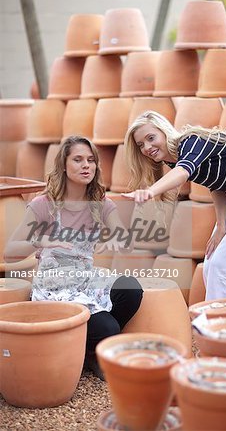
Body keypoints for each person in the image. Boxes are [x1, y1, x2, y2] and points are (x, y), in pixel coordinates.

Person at [5, 136, 143, 379]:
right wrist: (41, 240)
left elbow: (126, 243)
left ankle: (89, 348)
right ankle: (91, 346)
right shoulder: (43, 204)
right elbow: (10, 251)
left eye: (91, 160)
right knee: (108, 327)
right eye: (78, 160)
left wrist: (118, 240)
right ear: (64, 165)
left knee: (130, 289)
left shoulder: (101, 203)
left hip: (85, 279)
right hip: (54, 285)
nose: (86, 165)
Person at [123, 110, 226, 301]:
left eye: (151, 138)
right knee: (212, 263)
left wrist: (150, 192)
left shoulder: (191, 142)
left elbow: (183, 172)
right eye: (140, 145)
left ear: (164, 131)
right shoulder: (174, 161)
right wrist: (221, 226)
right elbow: (216, 184)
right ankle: (221, 318)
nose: (147, 147)